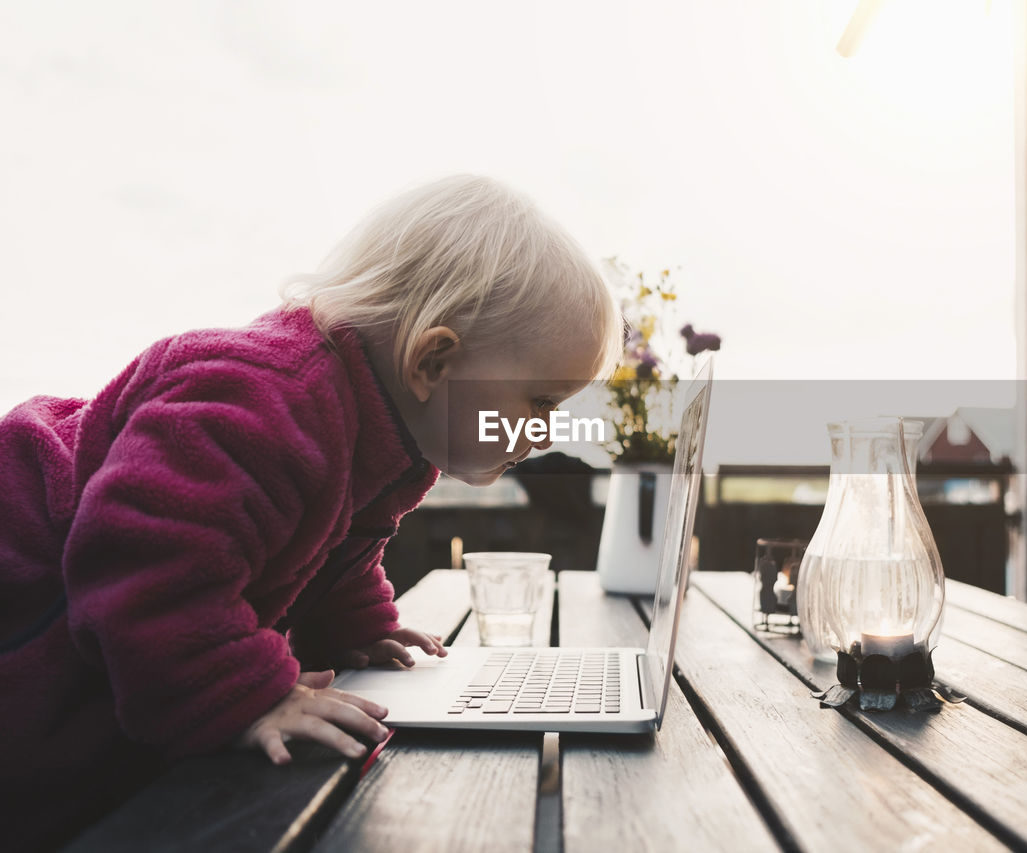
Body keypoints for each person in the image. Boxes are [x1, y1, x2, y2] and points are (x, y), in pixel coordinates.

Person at [0, 174, 623, 849]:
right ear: (434, 360)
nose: (549, 430)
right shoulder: (265, 402)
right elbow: (140, 565)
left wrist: (358, 625)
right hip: (29, 617)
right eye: (542, 402)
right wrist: (247, 694)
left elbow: (326, 543)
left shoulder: (381, 438)